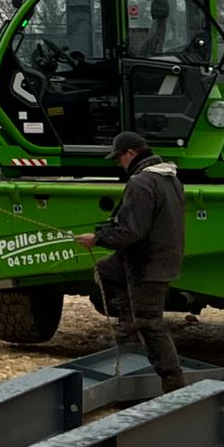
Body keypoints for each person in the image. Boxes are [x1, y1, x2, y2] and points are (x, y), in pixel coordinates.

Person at [77, 129, 184, 391]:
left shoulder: (141, 183)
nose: (117, 163)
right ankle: (127, 320)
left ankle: (173, 381)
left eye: (119, 158)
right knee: (105, 270)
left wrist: (98, 239)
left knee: (151, 322)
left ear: (131, 154)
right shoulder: (170, 179)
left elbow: (132, 232)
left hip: (147, 263)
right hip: (159, 257)